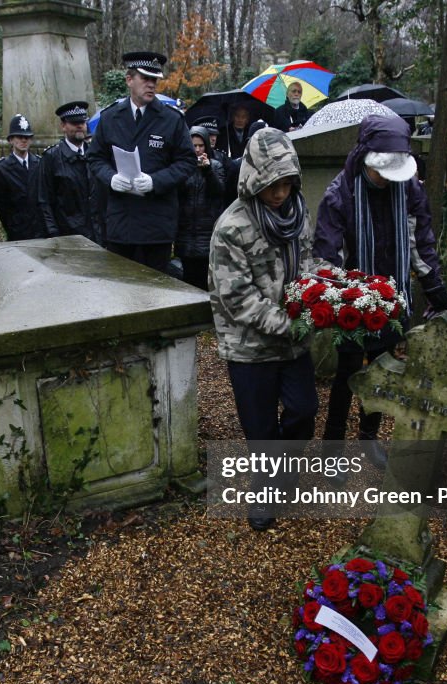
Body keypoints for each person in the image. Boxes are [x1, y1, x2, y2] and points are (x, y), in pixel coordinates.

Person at [313, 114, 447, 471]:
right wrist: (348, 295)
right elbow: (327, 257)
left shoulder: (409, 188)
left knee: (384, 371)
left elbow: (419, 242)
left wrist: (437, 292)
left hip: (393, 295)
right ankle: (332, 448)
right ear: (365, 157)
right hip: (353, 298)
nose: (385, 180)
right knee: (347, 375)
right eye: (380, 172)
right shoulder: (340, 193)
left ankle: (368, 436)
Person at [209, 128, 320, 530]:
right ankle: (265, 489)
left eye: (287, 183)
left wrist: (330, 292)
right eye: (272, 184)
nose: (279, 193)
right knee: (260, 430)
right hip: (250, 346)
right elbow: (238, 299)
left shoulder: (296, 212)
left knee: (304, 412)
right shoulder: (232, 227)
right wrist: (291, 324)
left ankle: (283, 470)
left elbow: (307, 264)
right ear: (254, 178)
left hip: (293, 342)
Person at [87, 51, 197, 272]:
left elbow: (187, 161)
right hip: (121, 220)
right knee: (121, 286)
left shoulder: (171, 119)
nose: (151, 85)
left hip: (156, 223)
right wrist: (110, 178)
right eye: (145, 79)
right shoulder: (111, 118)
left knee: (155, 292)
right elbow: (95, 158)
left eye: (154, 80)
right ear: (129, 80)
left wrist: (156, 181)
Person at [38, 101, 98, 243]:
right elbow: (44, 200)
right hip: (68, 235)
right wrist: (53, 235)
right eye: (74, 123)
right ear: (63, 126)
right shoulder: (51, 157)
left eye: (82, 122)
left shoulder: (94, 153)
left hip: (97, 233)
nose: (79, 126)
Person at [176, 126, 225, 290]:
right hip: (186, 231)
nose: (197, 150)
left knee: (206, 279)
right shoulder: (182, 166)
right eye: (194, 146)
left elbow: (219, 191)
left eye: (201, 146)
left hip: (206, 231)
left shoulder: (216, 165)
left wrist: (207, 171)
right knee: (188, 278)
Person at [0, 114, 45, 241]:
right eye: (19, 137)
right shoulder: (1, 168)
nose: (23, 140)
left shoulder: (40, 163)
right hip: (18, 230)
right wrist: (12, 226)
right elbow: (0, 204)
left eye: (27, 137)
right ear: (11, 140)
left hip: (40, 229)